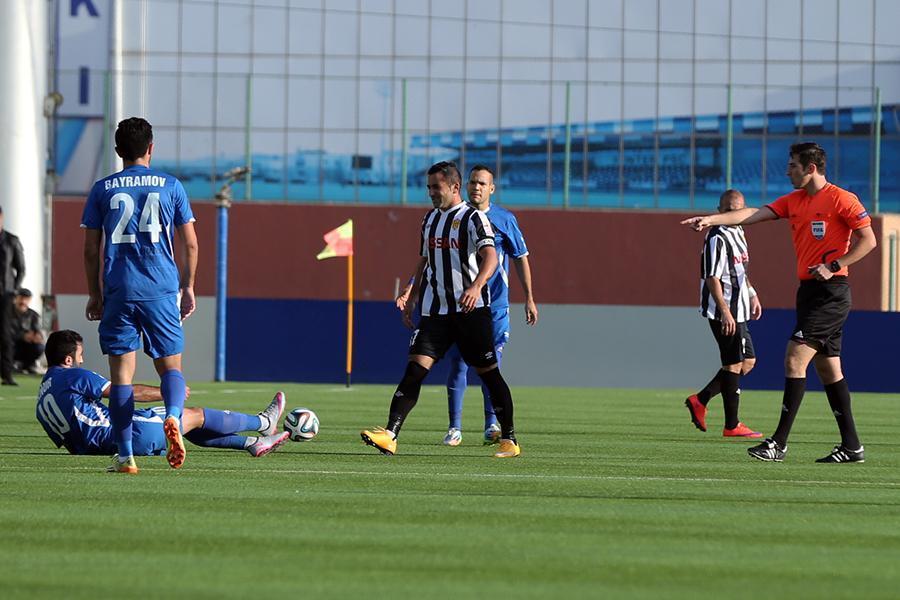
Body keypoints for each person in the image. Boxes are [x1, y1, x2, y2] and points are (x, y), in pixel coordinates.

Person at [682, 142, 877, 463]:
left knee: (794, 359)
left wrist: (833, 265)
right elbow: (752, 214)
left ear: (810, 168)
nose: (787, 172)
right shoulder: (794, 200)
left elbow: (869, 240)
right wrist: (713, 219)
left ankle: (778, 443)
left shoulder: (842, 199)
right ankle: (852, 446)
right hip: (809, 293)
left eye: (792, 166)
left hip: (831, 292)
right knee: (829, 369)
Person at [361, 161, 521, 458]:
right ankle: (390, 435)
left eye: (437, 187)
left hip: (471, 311)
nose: (431, 192)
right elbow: (424, 261)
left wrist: (476, 287)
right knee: (414, 370)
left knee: (488, 373)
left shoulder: (474, 218)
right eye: (429, 187)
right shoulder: (429, 219)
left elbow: (490, 258)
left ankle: (509, 439)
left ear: (455, 187)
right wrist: (411, 294)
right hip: (436, 313)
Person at [82, 117, 199, 473]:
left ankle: (125, 457)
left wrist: (94, 294)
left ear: (118, 150)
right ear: (151, 148)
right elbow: (190, 244)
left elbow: (90, 249)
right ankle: (174, 416)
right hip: (161, 287)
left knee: (121, 376)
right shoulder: (171, 186)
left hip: (119, 288)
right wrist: (188, 286)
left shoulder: (102, 189)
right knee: (170, 368)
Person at [396, 164, 537, 446]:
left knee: (489, 367)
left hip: (492, 304)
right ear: (465, 185)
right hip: (454, 305)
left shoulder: (502, 219)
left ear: (491, 188)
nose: (476, 187)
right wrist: (411, 289)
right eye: (473, 181)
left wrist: (529, 297)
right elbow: (429, 260)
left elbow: (519, 257)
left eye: (482, 183)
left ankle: (493, 425)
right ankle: (455, 427)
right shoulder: (443, 218)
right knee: (458, 364)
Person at [35, 330, 289, 474]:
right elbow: (123, 391)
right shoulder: (74, 376)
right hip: (128, 433)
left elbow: (70, 444)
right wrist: (166, 392)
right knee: (193, 415)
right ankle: (262, 422)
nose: (82, 360)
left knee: (183, 427)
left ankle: (252, 443)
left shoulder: (43, 396)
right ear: (68, 360)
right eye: (80, 355)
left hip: (100, 448)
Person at [684, 190, 763, 439]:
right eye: (728, 210)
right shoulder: (717, 237)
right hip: (724, 311)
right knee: (733, 364)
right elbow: (712, 277)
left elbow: (739, 270)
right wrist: (725, 311)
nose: (733, 214)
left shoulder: (739, 231)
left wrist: (751, 293)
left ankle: (701, 399)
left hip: (739, 308)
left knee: (747, 362)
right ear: (719, 211)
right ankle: (732, 424)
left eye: (737, 210)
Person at [0, 205, 26, 386]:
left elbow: (21, 269)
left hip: (5, 295)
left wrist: (14, 290)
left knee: (4, 334)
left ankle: (7, 374)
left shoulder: (11, 241)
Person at [10, 288, 45, 375]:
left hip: (27, 345)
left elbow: (37, 330)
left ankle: (28, 365)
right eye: (21, 298)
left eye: (26, 299)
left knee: (40, 347)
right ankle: (11, 364)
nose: (23, 301)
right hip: (11, 344)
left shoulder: (34, 315)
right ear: (16, 299)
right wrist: (22, 336)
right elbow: (5, 332)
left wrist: (37, 337)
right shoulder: (7, 313)